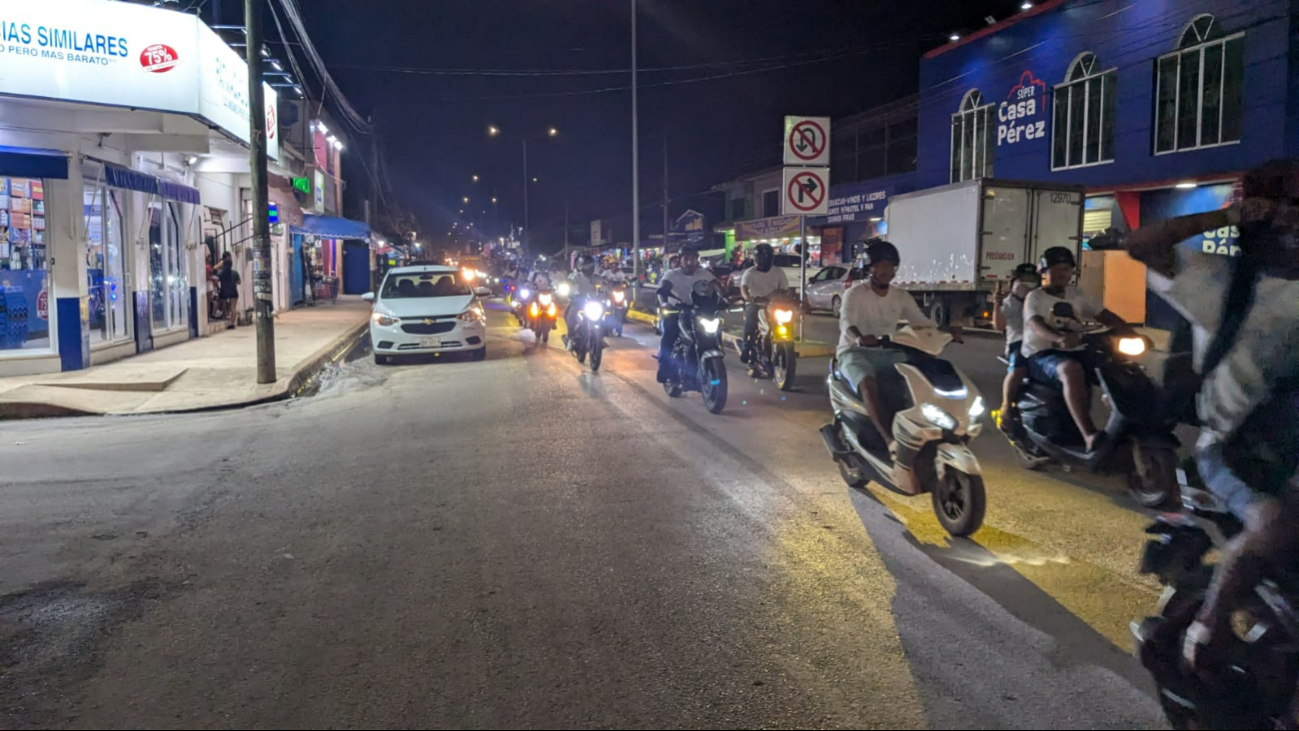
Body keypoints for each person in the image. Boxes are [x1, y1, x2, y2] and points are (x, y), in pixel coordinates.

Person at [1122, 160, 1299, 671]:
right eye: (1285, 212)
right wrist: (1229, 217)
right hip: (1236, 447)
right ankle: (1208, 629)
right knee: (1277, 523)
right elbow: (1142, 244)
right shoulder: (1219, 281)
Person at [1021, 246, 1133, 451]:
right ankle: (1089, 435)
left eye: (1066, 269)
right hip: (1042, 354)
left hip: (1076, 349)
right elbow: (1036, 324)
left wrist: (1128, 330)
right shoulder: (1035, 297)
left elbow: (1103, 314)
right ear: (1044, 272)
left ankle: (1128, 426)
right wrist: (1058, 337)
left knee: (1118, 368)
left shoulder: (1077, 294)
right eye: (1056, 269)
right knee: (1070, 369)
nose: (1062, 274)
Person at [838, 240, 949, 444]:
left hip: (889, 351)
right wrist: (859, 337)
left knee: (920, 379)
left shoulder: (900, 295)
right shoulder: (854, 294)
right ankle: (890, 440)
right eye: (881, 266)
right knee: (867, 384)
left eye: (890, 267)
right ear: (869, 268)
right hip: (854, 352)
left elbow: (920, 321)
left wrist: (944, 331)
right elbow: (846, 321)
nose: (886, 271)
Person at [656, 248, 723, 383]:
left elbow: (719, 289)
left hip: (700, 312)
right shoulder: (672, 275)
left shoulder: (705, 274)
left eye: (692, 259)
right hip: (677, 312)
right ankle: (664, 366)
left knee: (714, 330)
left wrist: (725, 298)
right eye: (686, 259)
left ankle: (712, 354)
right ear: (680, 260)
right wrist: (664, 304)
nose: (689, 262)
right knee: (669, 334)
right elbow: (662, 291)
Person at [993, 263, 1041, 434]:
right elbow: (999, 326)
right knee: (1017, 370)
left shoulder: (1040, 300)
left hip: (1041, 343)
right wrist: (996, 306)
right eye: (1023, 281)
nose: (1027, 285)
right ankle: (1006, 406)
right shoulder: (1010, 303)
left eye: (1031, 281)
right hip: (1018, 343)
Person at [738, 243, 790, 368]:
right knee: (751, 322)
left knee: (788, 319)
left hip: (775, 304)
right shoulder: (749, 273)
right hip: (756, 303)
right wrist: (749, 298)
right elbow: (744, 289)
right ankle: (746, 349)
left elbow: (785, 290)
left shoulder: (778, 272)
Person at [564, 255, 603, 350]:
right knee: (570, 315)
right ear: (581, 266)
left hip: (593, 301)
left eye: (591, 265)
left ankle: (599, 337)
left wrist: (615, 285)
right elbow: (569, 282)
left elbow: (606, 283)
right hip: (578, 301)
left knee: (603, 314)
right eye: (587, 266)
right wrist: (568, 288)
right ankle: (571, 338)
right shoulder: (576, 276)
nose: (590, 268)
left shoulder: (595, 277)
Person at [216, 251, 241, 330]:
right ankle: (232, 323)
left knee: (224, 304)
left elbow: (216, 278)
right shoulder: (235, 273)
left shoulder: (221, 273)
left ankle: (225, 316)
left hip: (224, 291)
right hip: (233, 291)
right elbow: (239, 282)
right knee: (233, 308)